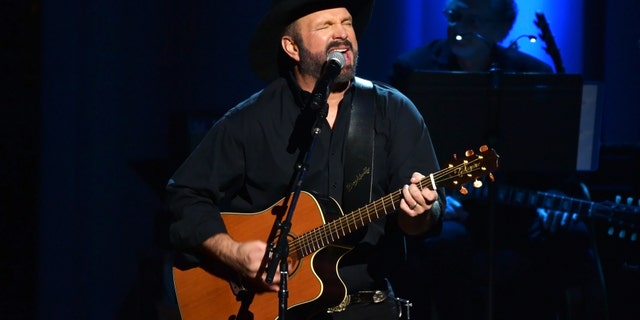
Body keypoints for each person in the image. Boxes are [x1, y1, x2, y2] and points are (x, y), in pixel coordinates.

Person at [166, 1, 446, 319]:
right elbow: (185, 195)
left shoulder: (393, 112)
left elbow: (423, 223)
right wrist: (233, 253)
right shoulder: (251, 120)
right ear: (291, 47)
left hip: (366, 306)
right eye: (325, 26)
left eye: (347, 22)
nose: (342, 34)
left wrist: (419, 212)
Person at [388, 1, 606, 319]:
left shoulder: (533, 74)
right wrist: (434, 203)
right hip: (449, 212)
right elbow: (392, 150)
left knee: (568, 240)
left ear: (503, 29)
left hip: (515, 213)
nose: (461, 26)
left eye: (475, 19)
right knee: (443, 244)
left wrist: (555, 199)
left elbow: (557, 163)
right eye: (455, 15)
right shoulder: (412, 68)